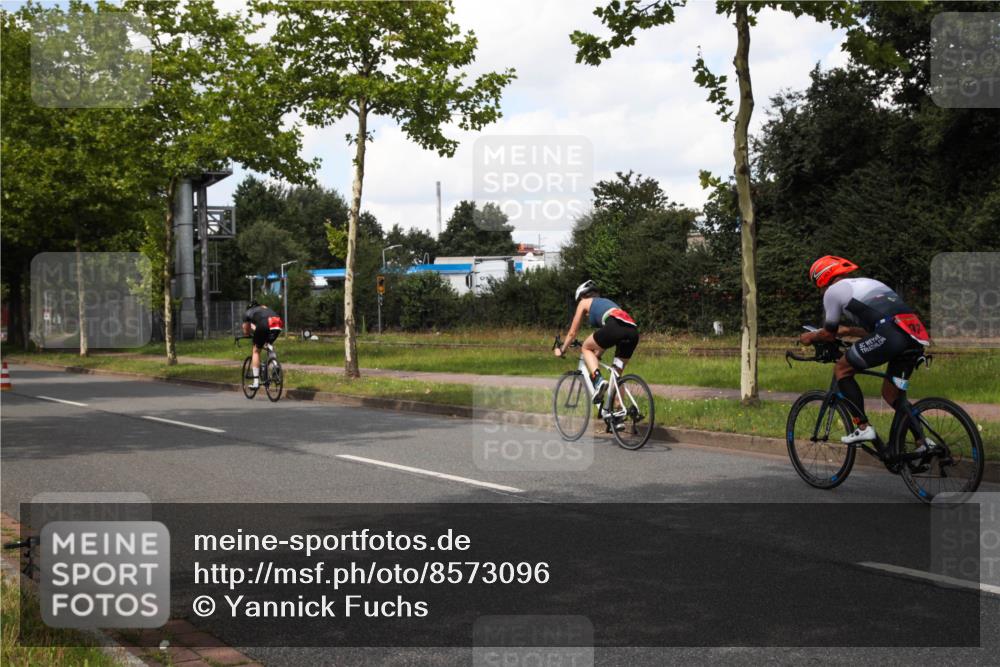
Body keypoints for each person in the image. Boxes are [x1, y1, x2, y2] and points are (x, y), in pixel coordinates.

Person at [798, 256, 930, 444]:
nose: (820, 291)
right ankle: (922, 442)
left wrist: (810, 337)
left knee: (842, 369)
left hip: (892, 334)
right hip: (915, 334)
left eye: (817, 285)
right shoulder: (868, 283)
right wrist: (850, 331)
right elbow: (881, 325)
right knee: (892, 394)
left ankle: (863, 427)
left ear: (822, 277)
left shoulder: (833, 291)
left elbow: (828, 334)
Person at [554, 280, 640, 405]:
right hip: (632, 332)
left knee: (586, 348)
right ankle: (618, 415)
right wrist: (597, 355)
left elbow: (572, 332)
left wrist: (562, 349)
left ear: (582, 296)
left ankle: (598, 380)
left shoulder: (584, 302)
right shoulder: (608, 304)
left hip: (615, 327)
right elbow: (607, 337)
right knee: (616, 375)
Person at [242, 301, 283, 389]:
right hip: (277, 322)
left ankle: (256, 382)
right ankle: (275, 365)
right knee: (268, 344)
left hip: (265, 324)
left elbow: (246, 330)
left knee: (256, 350)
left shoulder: (248, 312)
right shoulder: (264, 308)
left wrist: (248, 334)